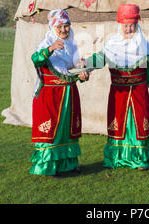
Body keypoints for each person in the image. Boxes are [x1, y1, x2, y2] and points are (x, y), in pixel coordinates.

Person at [86, 4, 149, 171]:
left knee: (137, 125)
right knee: (118, 123)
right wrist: (86, 65)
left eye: (132, 25)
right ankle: (116, 158)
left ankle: (140, 159)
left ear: (137, 25)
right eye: (126, 25)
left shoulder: (143, 44)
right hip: (118, 92)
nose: (129, 29)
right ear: (120, 25)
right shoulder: (112, 44)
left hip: (139, 91)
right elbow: (100, 59)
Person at [29, 9, 89, 178]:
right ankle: (47, 168)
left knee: (66, 132)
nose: (63, 30)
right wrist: (51, 48)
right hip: (49, 95)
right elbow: (36, 59)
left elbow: (73, 69)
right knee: (51, 132)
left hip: (68, 94)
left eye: (67, 26)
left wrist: (83, 73)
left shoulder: (71, 44)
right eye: (59, 27)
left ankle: (68, 165)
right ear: (52, 28)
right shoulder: (46, 43)